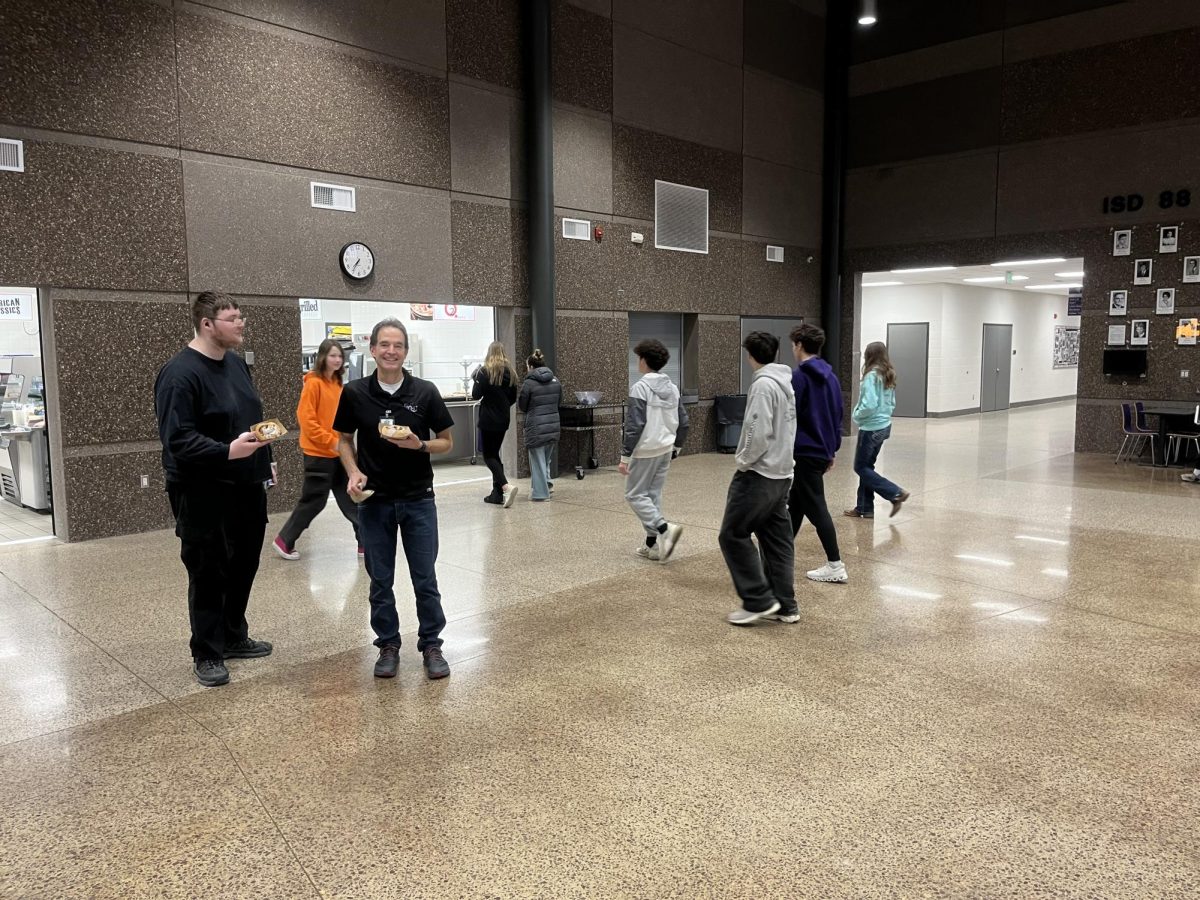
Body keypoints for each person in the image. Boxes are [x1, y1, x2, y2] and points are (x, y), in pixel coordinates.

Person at [154, 291, 274, 688]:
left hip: (246, 485)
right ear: (207, 324)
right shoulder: (180, 374)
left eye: (240, 316)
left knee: (244, 563)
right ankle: (206, 651)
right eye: (232, 318)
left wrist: (262, 461)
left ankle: (233, 636)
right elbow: (178, 440)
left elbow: (249, 420)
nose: (241, 323)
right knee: (208, 569)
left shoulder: (237, 366)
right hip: (202, 488)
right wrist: (226, 451)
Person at [333, 318, 455, 681]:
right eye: (384, 344)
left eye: (397, 345)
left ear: (405, 351)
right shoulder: (355, 393)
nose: (391, 351)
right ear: (372, 349)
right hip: (374, 502)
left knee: (424, 577)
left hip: (418, 498)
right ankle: (388, 644)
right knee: (380, 579)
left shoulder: (425, 392)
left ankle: (431, 643)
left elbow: (448, 441)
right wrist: (353, 471)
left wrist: (419, 444)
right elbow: (343, 441)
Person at [719, 332, 798, 626]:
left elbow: (756, 429)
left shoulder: (764, 385)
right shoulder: (785, 384)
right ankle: (785, 605)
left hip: (759, 474)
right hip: (782, 474)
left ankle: (758, 599)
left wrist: (743, 461)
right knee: (777, 540)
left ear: (749, 355)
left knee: (732, 534)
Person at [272, 339, 360, 560]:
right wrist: (331, 441)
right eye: (332, 355)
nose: (337, 360)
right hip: (319, 455)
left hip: (339, 453)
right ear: (323, 357)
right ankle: (284, 540)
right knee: (314, 501)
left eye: (340, 356)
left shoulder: (339, 385)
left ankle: (366, 543)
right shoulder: (313, 383)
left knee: (351, 498)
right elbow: (307, 420)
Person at [787, 324, 848, 584]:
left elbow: (790, 416)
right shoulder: (831, 378)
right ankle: (777, 554)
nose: (792, 349)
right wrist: (832, 449)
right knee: (796, 505)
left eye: (793, 344)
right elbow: (838, 414)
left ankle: (835, 564)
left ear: (799, 345)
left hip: (804, 451)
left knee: (816, 506)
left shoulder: (798, 377)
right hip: (821, 450)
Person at [619, 339, 688, 562]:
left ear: (644, 360)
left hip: (645, 450)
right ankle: (653, 546)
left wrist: (625, 456)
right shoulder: (673, 388)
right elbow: (684, 422)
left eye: (638, 358)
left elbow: (635, 424)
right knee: (653, 495)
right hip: (666, 448)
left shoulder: (640, 387)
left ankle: (664, 529)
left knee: (635, 494)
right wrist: (677, 446)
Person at [845, 342, 910, 520]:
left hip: (870, 428)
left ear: (868, 355)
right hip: (884, 426)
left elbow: (869, 404)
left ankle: (895, 493)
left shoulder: (871, 376)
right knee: (867, 467)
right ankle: (864, 508)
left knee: (860, 467)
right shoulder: (887, 374)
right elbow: (891, 402)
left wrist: (856, 415)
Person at [472, 341, 519, 507]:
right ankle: (496, 493)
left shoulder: (484, 372)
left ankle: (505, 487)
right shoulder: (511, 372)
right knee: (495, 454)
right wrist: (502, 407)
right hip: (503, 419)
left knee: (489, 455)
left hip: (488, 420)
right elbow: (513, 398)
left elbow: (475, 395)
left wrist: (475, 379)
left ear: (489, 353)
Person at [517, 349, 561, 501]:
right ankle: (548, 484)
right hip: (553, 425)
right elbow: (558, 402)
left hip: (536, 427)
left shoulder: (528, 383)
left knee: (537, 461)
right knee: (546, 459)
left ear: (530, 366)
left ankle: (541, 494)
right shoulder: (556, 381)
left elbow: (522, 405)